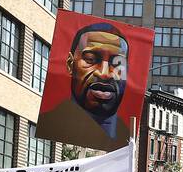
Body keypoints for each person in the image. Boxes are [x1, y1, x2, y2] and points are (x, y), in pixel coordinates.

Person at [37, 21, 134, 152]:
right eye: (90, 59)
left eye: (117, 63)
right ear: (70, 64)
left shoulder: (130, 142)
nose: (104, 73)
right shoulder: (49, 124)